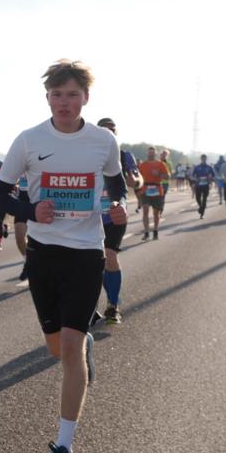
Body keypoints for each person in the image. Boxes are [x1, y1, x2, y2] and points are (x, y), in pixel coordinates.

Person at [0, 59, 127, 453]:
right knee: (58, 349)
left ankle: (63, 448)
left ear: (86, 97)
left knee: (68, 348)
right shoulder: (29, 140)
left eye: (72, 95)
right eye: (57, 95)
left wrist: (118, 207)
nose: (64, 102)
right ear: (47, 97)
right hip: (44, 255)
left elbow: (116, 184)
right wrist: (30, 210)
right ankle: (81, 343)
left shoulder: (103, 140)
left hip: (86, 255)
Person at [97, 118, 139, 324]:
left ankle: (113, 305)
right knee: (92, 263)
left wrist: (135, 181)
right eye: (105, 130)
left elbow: (138, 179)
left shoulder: (124, 155)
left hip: (115, 214)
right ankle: (89, 306)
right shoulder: (87, 154)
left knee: (110, 254)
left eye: (112, 130)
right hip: (90, 216)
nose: (109, 133)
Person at [138, 147, 168, 240]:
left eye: (152, 153)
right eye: (149, 153)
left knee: (156, 213)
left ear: (155, 154)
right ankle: (146, 232)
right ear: (147, 154)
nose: (151, 154)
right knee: (145, 211)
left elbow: (167, 177)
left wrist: (159, 174)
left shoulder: (161, 164)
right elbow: (138, 178)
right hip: (145, 189)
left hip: (157, 189)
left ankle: (155, 230)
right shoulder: (142, 165)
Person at [13, 175, 30, 280]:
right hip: (22, 202)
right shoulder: (19, 160)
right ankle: (28, 262)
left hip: (39, 199)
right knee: (19, 237)